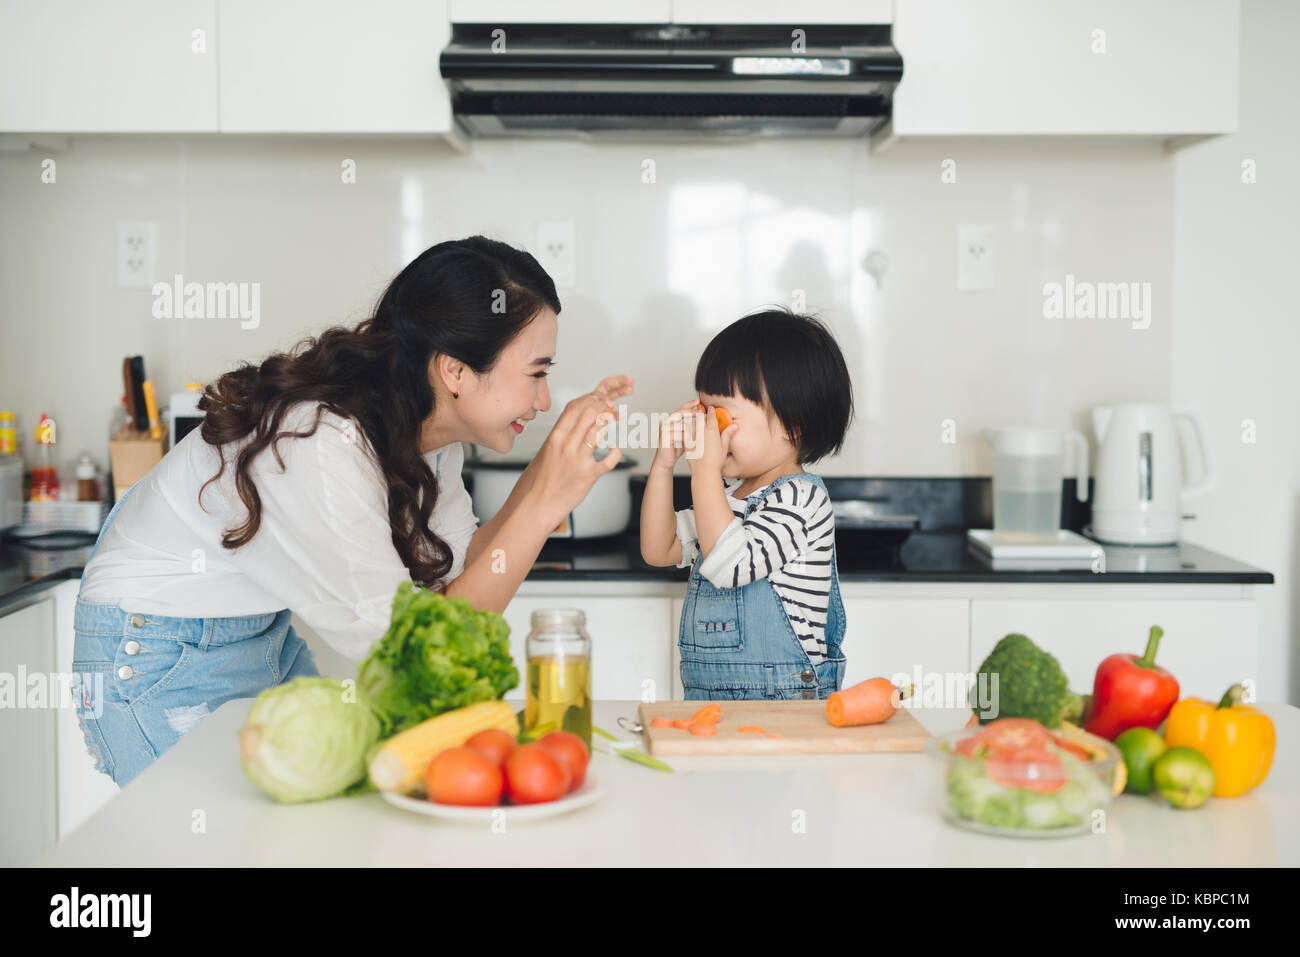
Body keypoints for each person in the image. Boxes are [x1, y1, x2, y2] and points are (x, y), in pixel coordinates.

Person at [73, 236, 631, 786]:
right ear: (455, 371)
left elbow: (460, 592)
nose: (544, 399)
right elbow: (409, 658)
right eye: (537, 373)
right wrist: (547, 501)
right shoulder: (316, 444)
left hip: (259, 639)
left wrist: (548, 475)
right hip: (153, 653)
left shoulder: (429, 441)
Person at [640, 308, 854, 700]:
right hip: (710, 701)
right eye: (703, 413)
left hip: (786, 704)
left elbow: (731, 565)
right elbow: (659, 549)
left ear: (793, 423)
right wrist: (663, 465)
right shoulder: (725, 498)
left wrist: (703, 472)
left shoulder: (801, 498)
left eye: (720, 417)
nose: (707, 429)